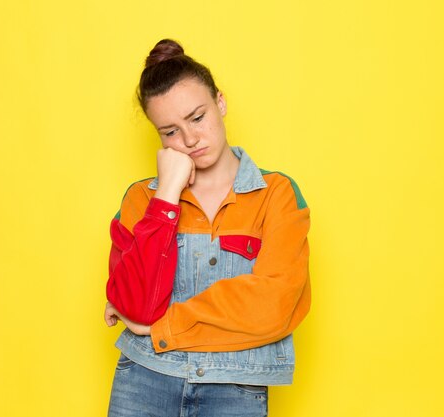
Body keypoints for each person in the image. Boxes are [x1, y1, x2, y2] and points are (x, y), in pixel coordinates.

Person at [103, 39, 311, 417]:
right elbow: (136, 305)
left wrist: (162, 326)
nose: (189, 140)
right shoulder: (140, 199)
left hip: (235, 389)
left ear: (220, 102)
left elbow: (273, 305)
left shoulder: (276, 195)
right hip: (144, 381)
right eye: (169, 132)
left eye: (197, 118)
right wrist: (166, 196)